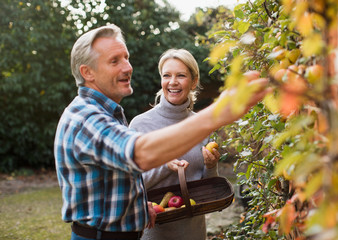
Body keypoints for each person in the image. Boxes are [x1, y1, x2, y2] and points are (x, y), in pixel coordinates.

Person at [54, 24, 270, 240]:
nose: (128, 67)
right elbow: (140, 154)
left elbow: (114, 182)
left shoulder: (107, 114)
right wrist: (216, 114)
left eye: (126, 57)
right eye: (114, 61)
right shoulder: (86, 119)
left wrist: (137, 206)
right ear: (87, 72)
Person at [129, 48, 220, 240]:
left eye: (181, 75)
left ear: (194, 81)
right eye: (167, 75)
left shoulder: (202, 125)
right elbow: (130, 184)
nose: (173, 82)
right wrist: (165, 166)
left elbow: (206, 189)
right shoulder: (140, 125)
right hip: (153, 232)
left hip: (193, 231)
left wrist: (211, 166)